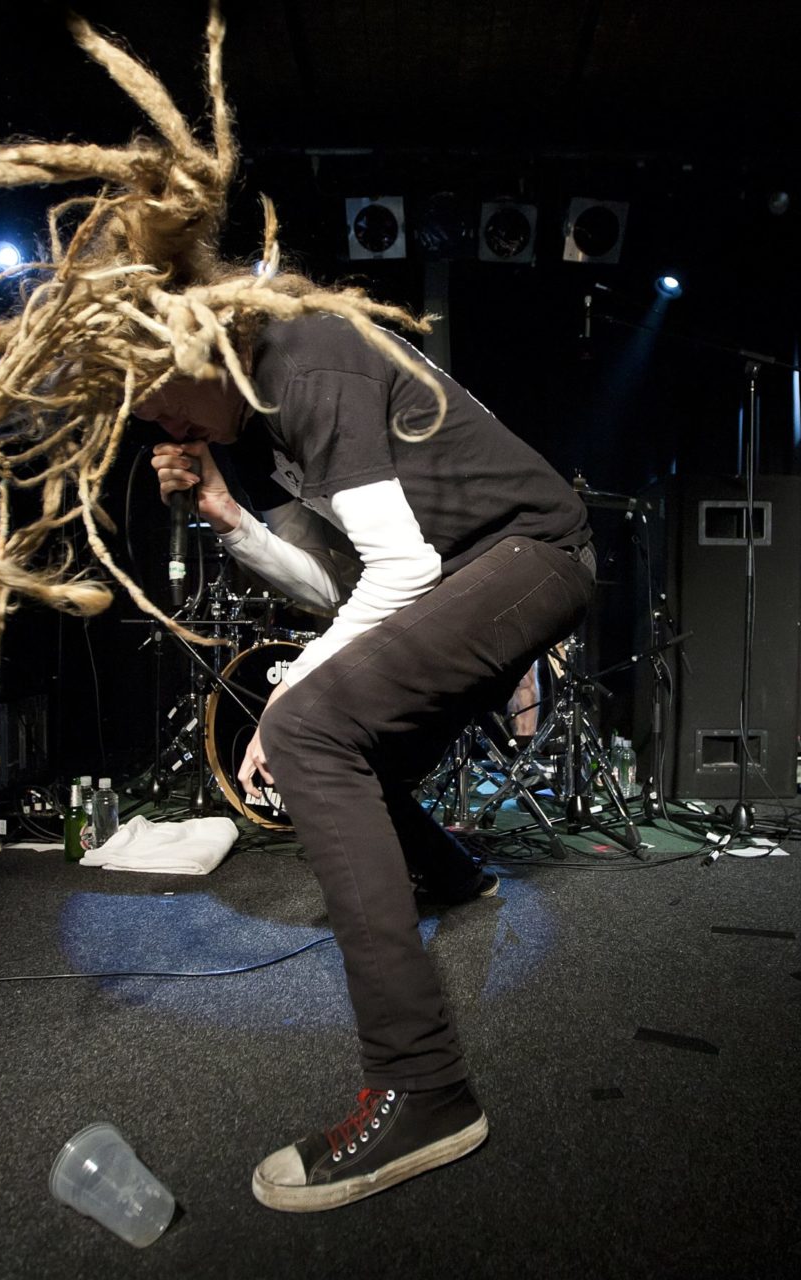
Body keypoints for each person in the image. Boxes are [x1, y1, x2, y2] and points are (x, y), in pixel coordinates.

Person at [142, 312, 593, 1211]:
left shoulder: (305, 364)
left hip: (533, 558)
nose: (168, 432)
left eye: (164, 405)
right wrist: (229, 517)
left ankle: (424, 1089)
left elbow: (401, 575)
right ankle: (456, 875)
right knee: (353, 737)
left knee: (310, 728)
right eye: (154, 425)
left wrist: (288, 697)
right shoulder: (269, 423)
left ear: (194, 342)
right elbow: (340, 593)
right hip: (474, 573)